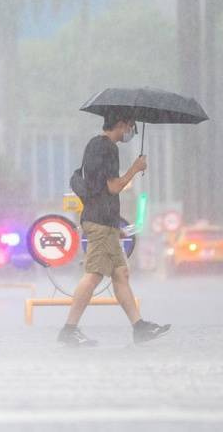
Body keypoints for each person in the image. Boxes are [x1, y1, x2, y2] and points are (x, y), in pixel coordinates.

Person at [58, 113, 171, 347]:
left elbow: (96, 188)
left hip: (104, 221)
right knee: (93, 275)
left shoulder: (93, 145)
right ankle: (69, 330)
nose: (131, 132)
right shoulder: (108, 148)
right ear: (120, 124)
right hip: (100, 222)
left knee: (121, 274)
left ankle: (139, 328)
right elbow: (112, 187)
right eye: (131, 127)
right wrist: (135, 168)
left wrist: (115, 225)